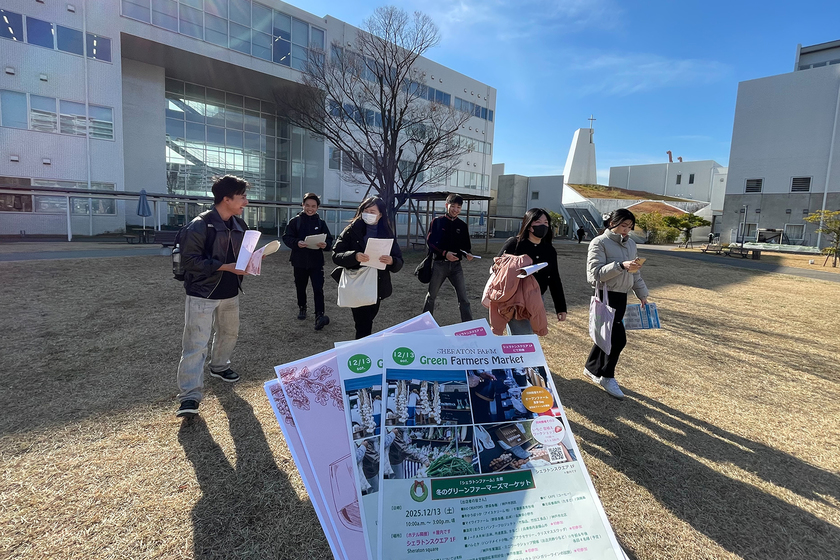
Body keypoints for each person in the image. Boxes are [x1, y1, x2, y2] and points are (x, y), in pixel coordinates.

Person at [175, 175, 250, 418]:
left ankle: (219, 366)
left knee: (229, 333)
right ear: (226, 199)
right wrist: (226, 267)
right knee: (196, 344)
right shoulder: (200, 225)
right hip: (202, 293)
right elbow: (189, 261)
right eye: (242, 197)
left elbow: (243, 255)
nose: (246, 202)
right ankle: (189, 396)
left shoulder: (240, 225)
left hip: (230, 293)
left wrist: (251, 262)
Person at [584, 208, 649, 400]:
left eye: (630, 226)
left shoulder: (631, 244)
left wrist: (642, 294)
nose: (626, 230)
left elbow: (635, 273)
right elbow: (594, 274)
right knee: (618, 339)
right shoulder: (599, 242)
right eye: (623, 225)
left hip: (622, 296)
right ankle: (607, 376)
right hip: (606, 295)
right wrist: (620, 265)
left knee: (606, 336)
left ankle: (591, 368)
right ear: (612, 223)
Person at [332, 197, 404, 339]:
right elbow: (336, 255)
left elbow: (399, 260)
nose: (368, 214)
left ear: (380, 214)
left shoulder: (387, 233)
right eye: (366, 210)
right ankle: (362, 346)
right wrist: (354, 256)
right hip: (357, 282)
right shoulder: (351, 230)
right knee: (363, 323)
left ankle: (363, 343)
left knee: (368, 319)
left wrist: (392, 261)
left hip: (377, 284)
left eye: (372, 211)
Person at [497, 208, 568, 334]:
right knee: (523, 337)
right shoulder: (514, 244)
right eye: (538, 222)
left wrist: (561, 307)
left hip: (537, 299)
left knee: (527, 336)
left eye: (546, 223)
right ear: (529, 225)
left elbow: (554, 279)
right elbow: (496, 267)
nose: (543, 226)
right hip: (516, 299)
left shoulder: (549, 250)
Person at [282, 193, 333, 330]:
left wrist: (325, 245)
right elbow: (286, 237)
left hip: (316, 262)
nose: (310, 208)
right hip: (299, 261)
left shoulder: (321, 223)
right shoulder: (295, 221)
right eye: (307, 205)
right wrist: (297, 243)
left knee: (318, 288)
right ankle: (302, 307)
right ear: (302, 205)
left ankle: (319, 314)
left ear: (317, 207)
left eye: (313, 206)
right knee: (300, 286)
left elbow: (329, 240)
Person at [423, 194, 474, 321]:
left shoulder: (462, 225)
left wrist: (467, 254)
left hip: (456, 266)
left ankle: (468, 325)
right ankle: (425, 324)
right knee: (431, 296)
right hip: (439, 265)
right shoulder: (437, 222)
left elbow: (466, 246)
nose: (455, 210)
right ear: (447, 205)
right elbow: (430, 242)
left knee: (464, 298)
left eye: (458, 207)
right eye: (453, 206)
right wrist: (445, 253)